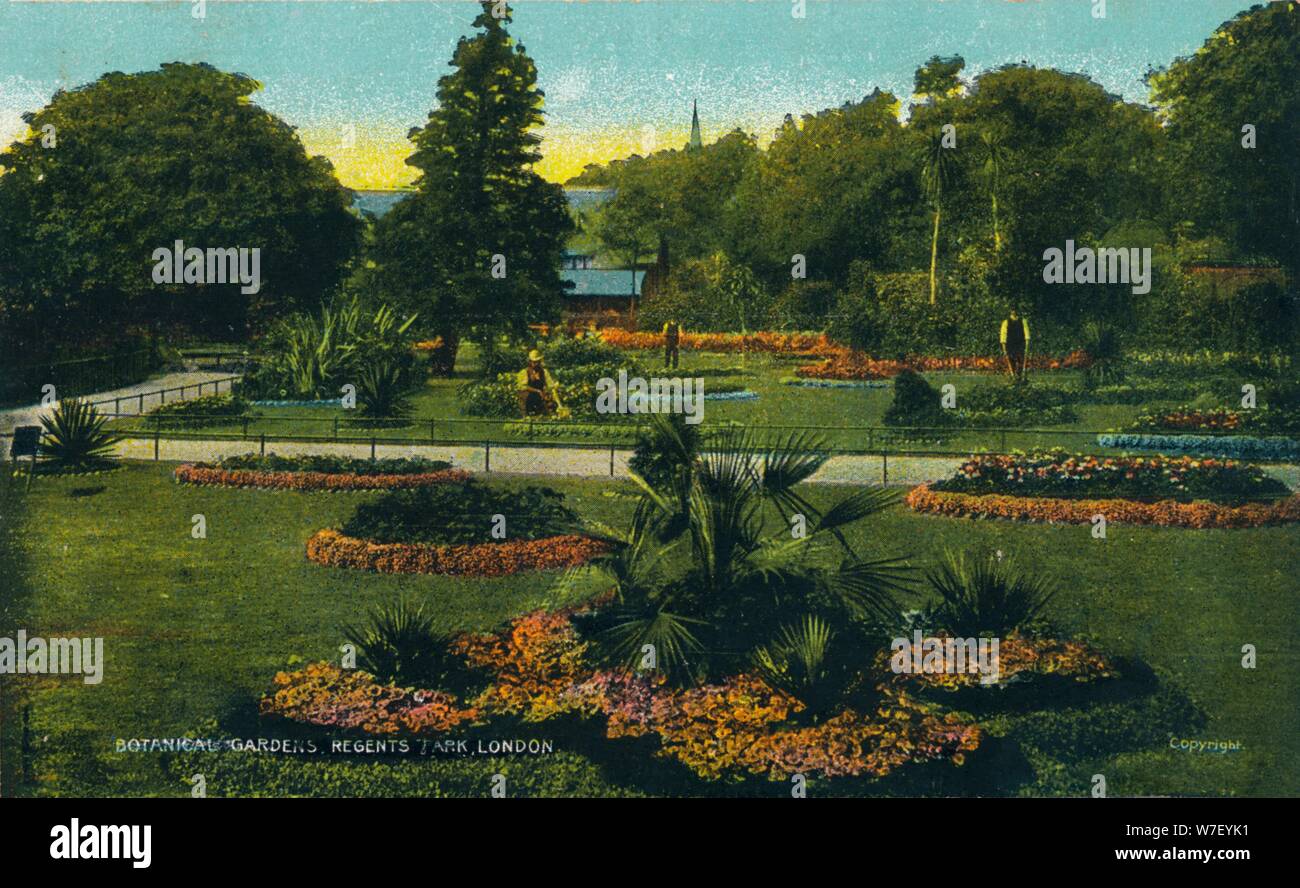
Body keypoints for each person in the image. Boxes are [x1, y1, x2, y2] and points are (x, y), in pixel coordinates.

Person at [516, 350, 564, 417]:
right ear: (530, 362)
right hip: (528, 398)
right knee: (525, 395)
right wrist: (537, 391)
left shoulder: (544, 372)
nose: (536, 364)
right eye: (534, 362)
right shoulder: (524, 372)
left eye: (538, 362)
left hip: (539, 397)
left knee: (549, 401)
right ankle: (526, 415)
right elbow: (523, 387)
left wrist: (559, 405)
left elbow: (551, 387)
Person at [1000, 310, 1030, 380]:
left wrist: (1027, 344)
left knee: (1020, 361)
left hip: (1020, 344)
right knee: (1011, 361)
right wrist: (1004, 347)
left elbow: (1026, 334)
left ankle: (1020, 376)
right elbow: (1003, 335)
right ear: (1011, 311)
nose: (1014, 312)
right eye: (1013, 310)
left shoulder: (1023, 321)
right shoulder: (1006, 322)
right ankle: (1012, 376)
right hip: (1010, 344)